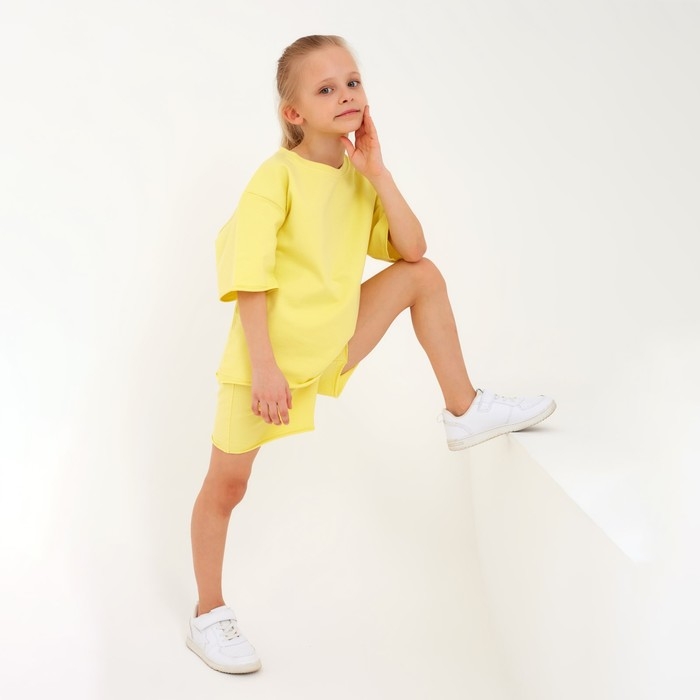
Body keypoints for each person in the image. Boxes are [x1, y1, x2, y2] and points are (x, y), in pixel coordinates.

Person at [186, 34, 556, 674]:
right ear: (293, 113)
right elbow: (249, 277)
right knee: (227, 487)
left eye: (352, 82)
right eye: (325, 89)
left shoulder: (359, 179)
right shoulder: (276, 177)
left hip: (332, 343)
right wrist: (265, 369)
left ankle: (464, 408)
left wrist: (378, 172)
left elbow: (411, 249)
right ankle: (208, 614)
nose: (346, 96)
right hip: (267, 360)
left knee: (423, 277)